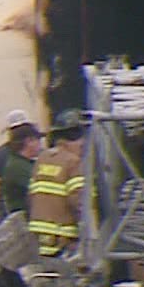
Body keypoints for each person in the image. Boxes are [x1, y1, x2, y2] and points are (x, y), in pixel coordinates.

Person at [28, 111, 88, 261]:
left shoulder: (42, 159)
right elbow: (79, 202)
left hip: (37, 238)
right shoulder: (72, 162)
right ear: (73, 140)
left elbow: (31, 195)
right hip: (61, 238)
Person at [0, 112, 44, 214]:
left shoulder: (20, 161)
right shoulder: (18, 166)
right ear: (28, 142)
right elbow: (41, 190)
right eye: (37, 140)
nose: (40, 144)